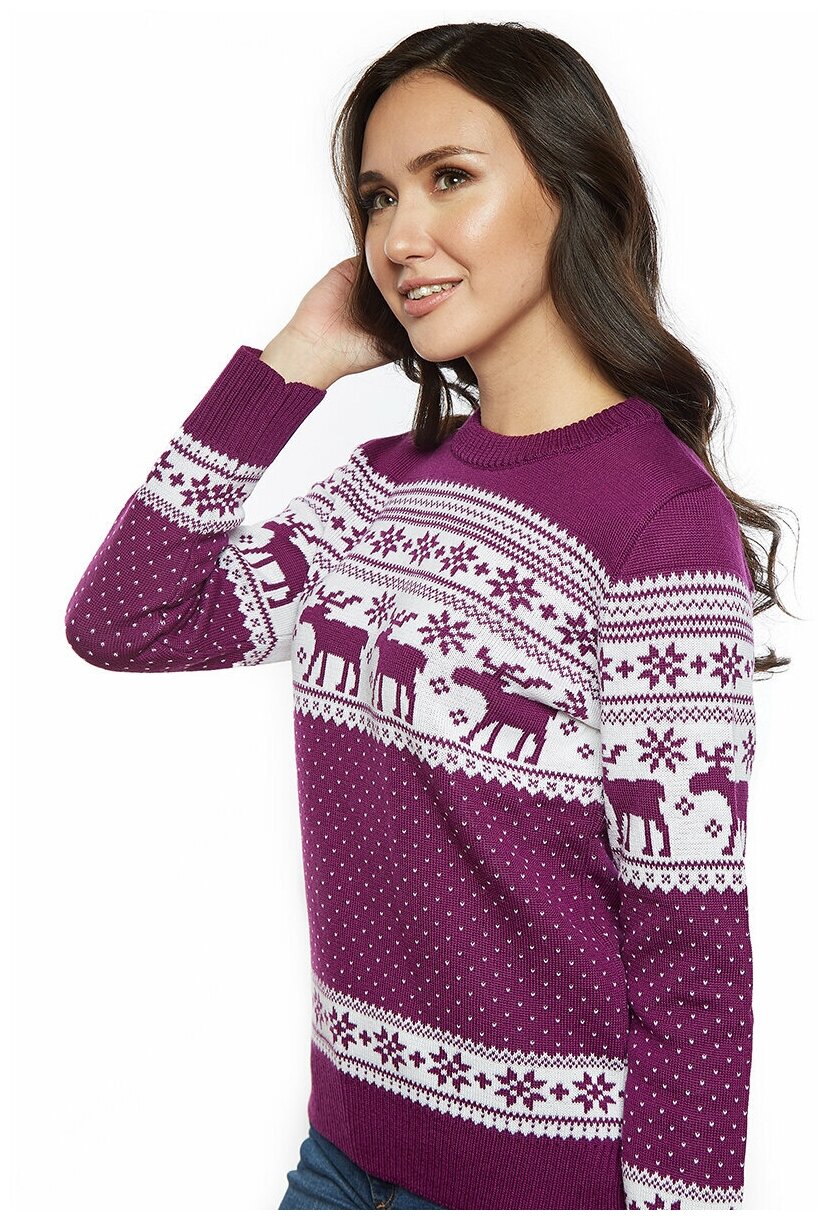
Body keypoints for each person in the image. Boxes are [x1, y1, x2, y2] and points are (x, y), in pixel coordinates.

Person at [64, 20, 792, 1212]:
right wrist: (295, 361)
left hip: (535, 1186)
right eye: (378, 196)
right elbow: (125, 618)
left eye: (450, 177)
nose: (401, 237)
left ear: (570, 188)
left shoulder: (658, 524)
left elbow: (692, 940)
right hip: (339, 1153)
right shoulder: (377, 489)